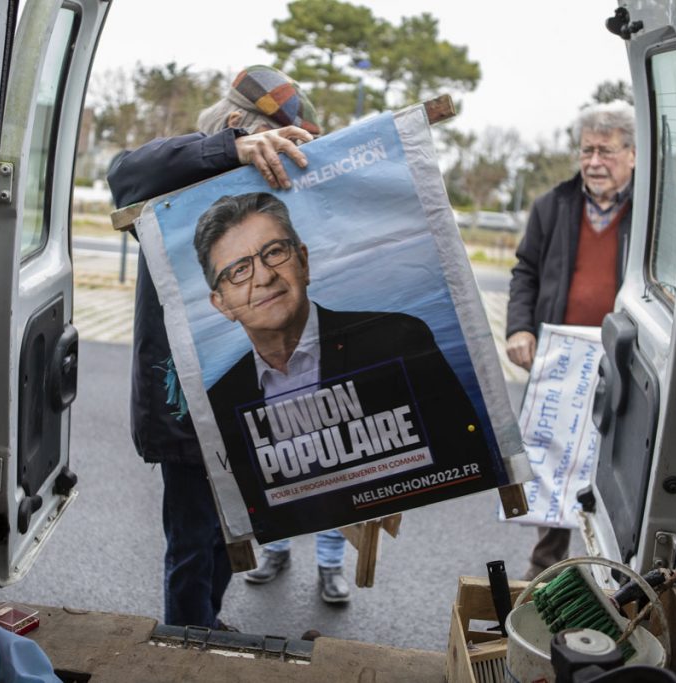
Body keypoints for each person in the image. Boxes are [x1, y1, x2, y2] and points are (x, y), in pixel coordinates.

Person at [106, 65, 320, 629]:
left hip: (251, 398)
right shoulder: (174, 184)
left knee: (235, 528)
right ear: (236, 127)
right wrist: (229, 152)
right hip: (187, 408)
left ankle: (206, 622)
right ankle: (184, 637)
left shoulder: (265, 195)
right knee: (192, 538)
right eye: (266, 143)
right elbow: (123, 171)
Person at [194, 192, 495, 548]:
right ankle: (278, 553)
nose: (263, 277)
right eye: (238, 270)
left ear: (303, 262)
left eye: (274, 252)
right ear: (222, 303)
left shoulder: (400, 340)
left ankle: (330, 565)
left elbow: (464, 448)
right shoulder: (219, 401)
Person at [505, 100, 636, 580]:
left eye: (606, 151)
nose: (594, 162)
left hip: (627, 362)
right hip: (562, 359)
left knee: (619, 471)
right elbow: (526, 273)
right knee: (556, 464)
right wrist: (519, 328)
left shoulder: (652, 210)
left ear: (633, 155)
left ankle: (615, 578)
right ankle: (543, 577)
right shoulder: (553, 205)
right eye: (587, 151)